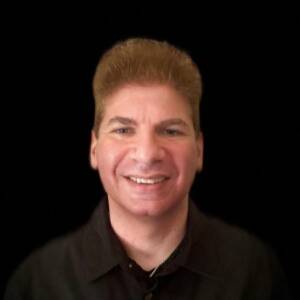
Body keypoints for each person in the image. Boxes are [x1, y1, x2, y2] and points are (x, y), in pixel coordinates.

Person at [4, 38, 291, 299]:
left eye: (171, 131)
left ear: (200, 150)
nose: (147, 154)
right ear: (94, 148)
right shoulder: (38, 282)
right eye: (124, 129)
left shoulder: (256, 273)